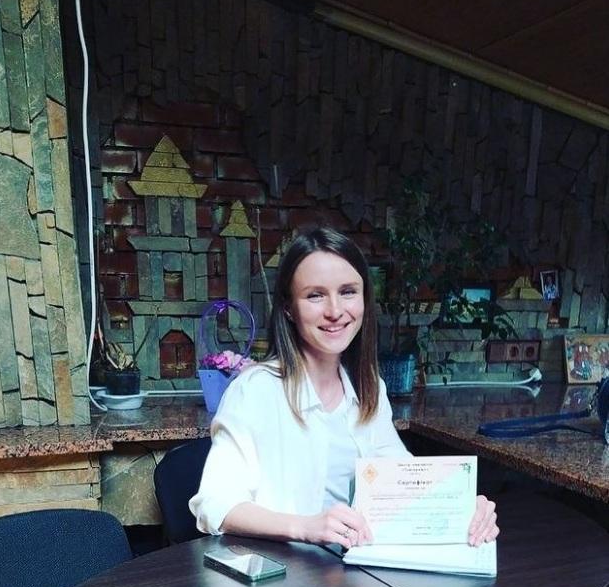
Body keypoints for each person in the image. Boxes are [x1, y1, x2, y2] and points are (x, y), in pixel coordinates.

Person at [189, 227, 498, 549]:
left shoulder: (368, 387)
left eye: (348, 291)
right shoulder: (255, 390)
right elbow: (215, 504)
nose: (335, 311)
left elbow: (401, 478)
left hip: (353, 566)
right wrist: (305, 527)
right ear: (288, 308)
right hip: (284, 568)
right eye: (315, 295)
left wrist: (462, 506)